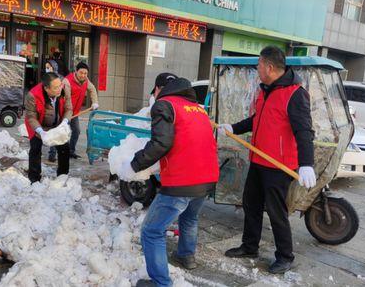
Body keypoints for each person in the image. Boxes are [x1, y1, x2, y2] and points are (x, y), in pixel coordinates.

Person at [217, 46, 316, 274]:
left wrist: (306, 163)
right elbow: (257, 119)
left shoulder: (295, 94)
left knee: (276, 211)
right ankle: (250, 246)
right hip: (259, 160)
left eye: (259, 66)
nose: (258, 69)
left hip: (279, 166)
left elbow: (304, 131)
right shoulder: (266, 90)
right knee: (250, 204)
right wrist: (234, 127)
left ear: (269, 67)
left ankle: (285, 256)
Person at [119, 73, 219, 287]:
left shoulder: (164, 105)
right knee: (189, 218)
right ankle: (185, 255)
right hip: (207, 177)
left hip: (183, 180)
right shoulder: (198, 109)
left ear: (158, 90)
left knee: (151, 230)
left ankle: (161, 283)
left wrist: (134, 165)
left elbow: (160, 144)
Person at [25, 72, 73, 181]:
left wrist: (65, 122)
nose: (59, 89)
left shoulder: (64, 90)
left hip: (58, 124)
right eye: (56, 88)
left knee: (64, 148)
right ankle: (34, 179)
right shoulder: (33, 95)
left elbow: (69, 108)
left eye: (60, 85)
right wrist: (41, 132)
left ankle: (62, 176)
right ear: (47, 88)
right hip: (38, 125)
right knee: (35, 149)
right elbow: (31, 117)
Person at [63, 62, 99, 159]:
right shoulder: (67, 81)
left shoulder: (86, 80)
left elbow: (92, 89)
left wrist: (94, 102)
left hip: (75, 112)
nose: (83, 75)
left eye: (85, 73)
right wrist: (68, 116)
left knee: (76, 131)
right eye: (81, 73)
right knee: (60, 132)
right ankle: (52, 153)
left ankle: (71, 151)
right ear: (76, 71)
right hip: (64, 112)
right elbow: (67, 100)